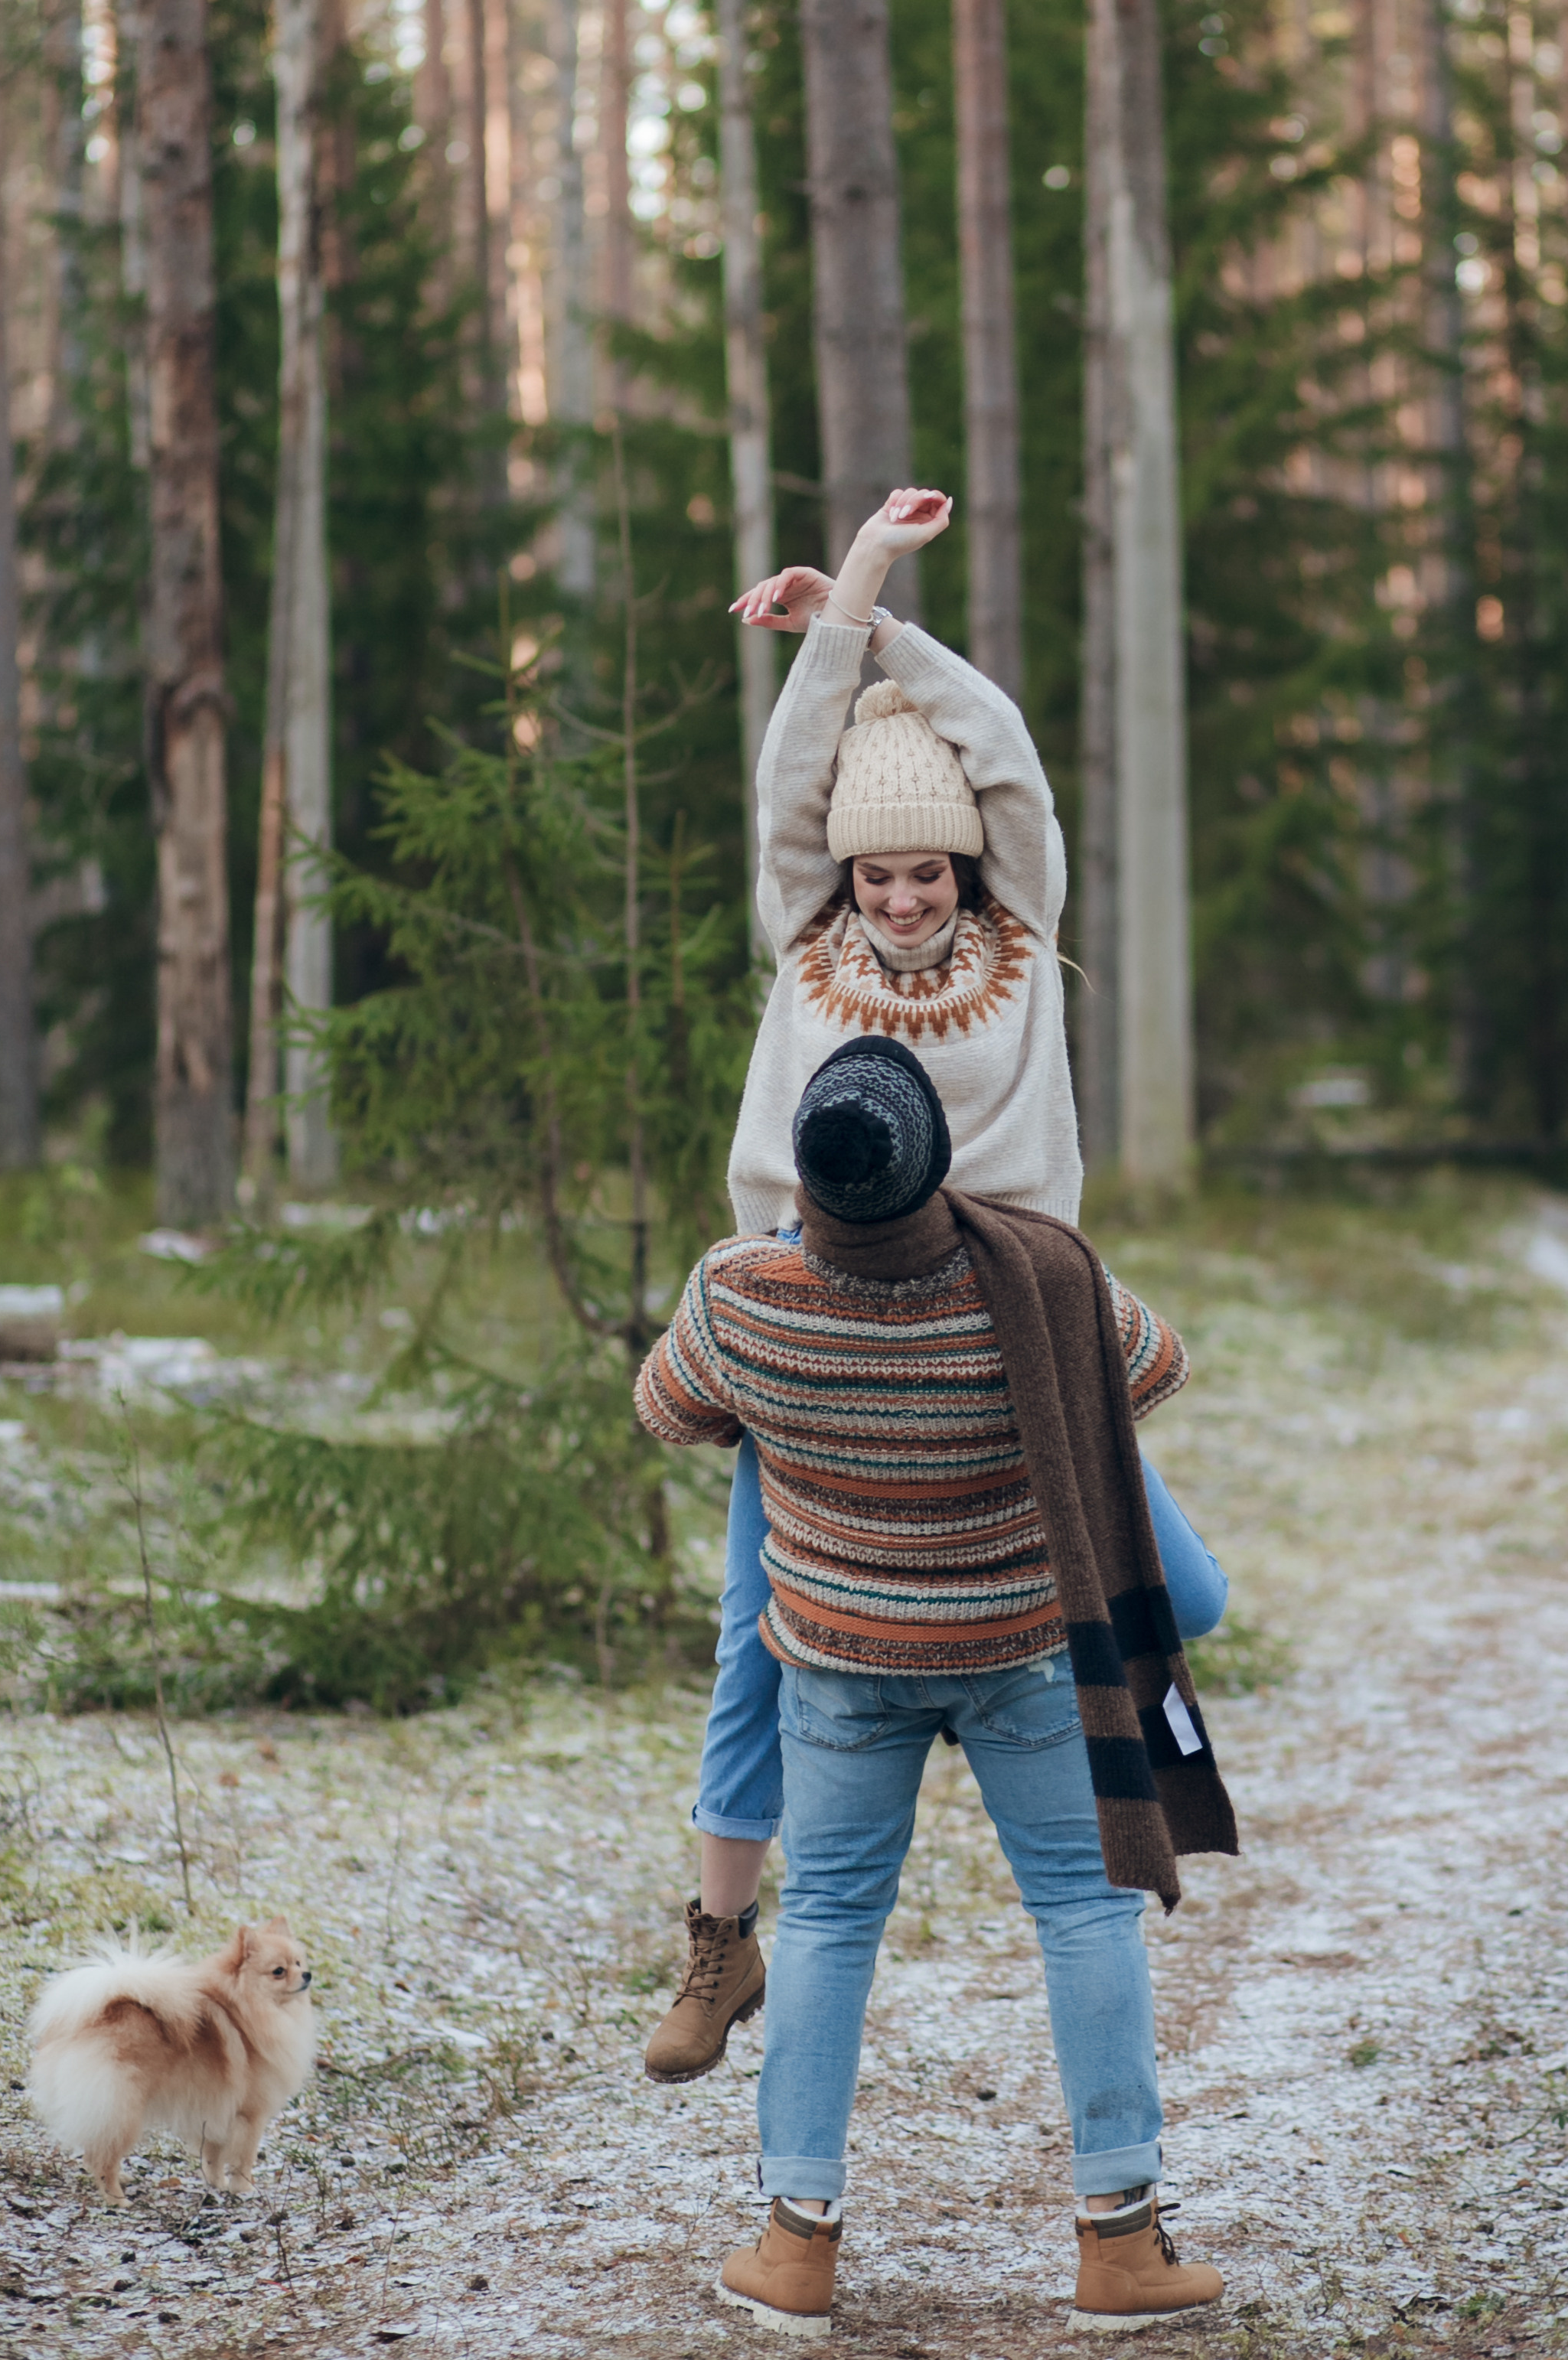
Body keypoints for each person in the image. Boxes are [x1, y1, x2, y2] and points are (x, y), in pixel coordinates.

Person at [644, 487, 1230, 2089]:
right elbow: (785, 785)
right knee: (753, 1638)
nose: (901, 900)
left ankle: (1074, 1732)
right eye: (878, 875)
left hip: (1014, 1330)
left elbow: (1013, 754)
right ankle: (719, 1941)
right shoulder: (804, 945)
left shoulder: (1023, 941)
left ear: (967, 870)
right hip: (816, 1330)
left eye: (924, 874)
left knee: (1191, 1594)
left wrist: (886, 612)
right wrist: (843, 603)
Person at [634, 1040, 1236, 2336]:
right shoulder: (1038, 1275)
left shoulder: (742, 1292)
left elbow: (665, 1408)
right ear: (935, 1165)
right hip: (1020, 1649)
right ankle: (1121, 2245)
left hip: (840, 1665)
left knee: (832, 1927)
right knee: (1085, 1912)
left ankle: (795, 2247)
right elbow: (1159, 1370)